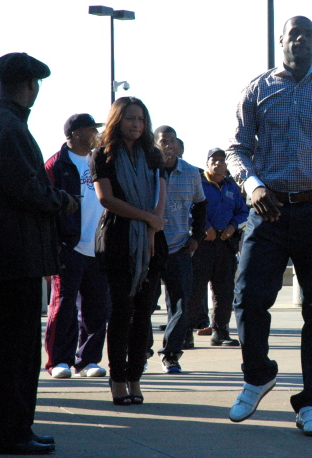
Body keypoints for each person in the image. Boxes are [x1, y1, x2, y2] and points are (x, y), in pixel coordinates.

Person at [225, 16, 312, 437]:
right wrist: (252, 186)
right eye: (293, 35)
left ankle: (311, 404)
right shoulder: (257, 89)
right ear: (281, 41)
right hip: (266, 211)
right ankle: (258, 374)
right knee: (248, 297)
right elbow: (236, 149)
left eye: (307, 35)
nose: (300, 40)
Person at [0, 52, 78, 455]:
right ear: (29, 87)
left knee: (3, 354)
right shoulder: (10, 129)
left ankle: (8, 428)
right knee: (18, 356)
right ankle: (14, 432)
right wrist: (64, 201)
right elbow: (27, 189)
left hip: (1, 260)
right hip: (15, 260)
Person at [92, 96, 167, 406]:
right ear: (117, 121)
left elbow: (161, 197)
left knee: (143, 313)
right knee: (121, 313)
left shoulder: (154, 155)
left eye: (141, 119)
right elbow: (106, 199)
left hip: (152, 241)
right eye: (130, 119)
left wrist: (153, 226)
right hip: (118, 240)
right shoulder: (103, 155)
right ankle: (118, 379)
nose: (137, 124)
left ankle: (136, 377)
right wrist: (147, 218)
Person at [44, 113, 110, 379]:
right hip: (69, 247)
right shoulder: (56, 165)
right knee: (64, 306)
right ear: (74, 134)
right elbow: (45, 206)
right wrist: (53, 244)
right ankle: (59, 360)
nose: (95, 133)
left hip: (100, 247)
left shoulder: (102, 160)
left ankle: (88, 360)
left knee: (97, 308)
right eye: (90, 129)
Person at [152, 125, 206, 373]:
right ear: (155, 144)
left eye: (172, 141)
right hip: (151, 247)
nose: (169, 145)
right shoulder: (147, 170)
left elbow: (200, 206)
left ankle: (171, 354)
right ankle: (141, 351)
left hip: (180, 248)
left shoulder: (192, 173)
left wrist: (197, 236)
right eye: (164, 141)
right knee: (144, 304)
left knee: (182, 305)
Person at [188, 148, 248, 347]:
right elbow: (189, 208)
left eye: (222, 160)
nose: (218, 164)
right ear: (207, 163)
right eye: (214, 160)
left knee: (224, 291)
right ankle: (186, 332)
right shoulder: (198, 184)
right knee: (195, 290)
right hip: (202, 244)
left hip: (225, 244)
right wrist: (205, 228)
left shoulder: (232, 187)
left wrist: (232, 226)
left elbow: (243, 212)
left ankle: (220, 332)